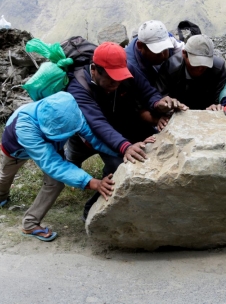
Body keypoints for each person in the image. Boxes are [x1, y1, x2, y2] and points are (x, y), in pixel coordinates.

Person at [66, 42, 184, 219]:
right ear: (95, 70)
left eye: (120, 78)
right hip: (89, 136)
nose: (117, 83)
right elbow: (98, 125)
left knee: (150, 151)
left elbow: (147, 92)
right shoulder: (79, 88)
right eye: (112, 79)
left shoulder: (126, 70)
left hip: (122, 123)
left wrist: (158, 104)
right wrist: (124, 146)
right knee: (108, 164)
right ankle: (93, 210)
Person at [0, 91, 117, 241]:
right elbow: (53, 164)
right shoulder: (24, 127)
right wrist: (92, 182)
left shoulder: (70, 112)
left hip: (52, 145)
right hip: (16, 150)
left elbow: (94, 138)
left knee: (56, 182)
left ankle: (30, 224)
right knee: (5, 175)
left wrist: (123, 148)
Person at [159, 34, 226, 110]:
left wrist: (216, 106)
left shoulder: (218, 69)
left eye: (204, 63)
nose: (200, 68)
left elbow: (221, 97)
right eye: (196, 63)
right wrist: (170, 105)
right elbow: (161, 97)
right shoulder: (170, 68)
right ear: (184, 54)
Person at [126, 20, 185, 96]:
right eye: (157, 51)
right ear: (140, 46)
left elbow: (183, 51)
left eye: (165, 49)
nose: (163, 55)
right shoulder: (131, 66)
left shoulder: (166, 36)